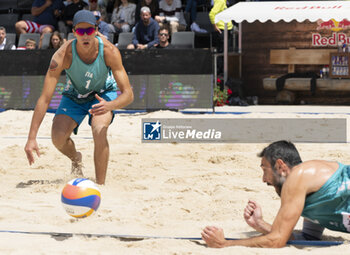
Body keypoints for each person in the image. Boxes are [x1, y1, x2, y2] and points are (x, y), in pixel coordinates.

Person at [24, 10, 134, 185]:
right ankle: (76, 158)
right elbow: (45, 98)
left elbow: (128, 94)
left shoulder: (109, 51)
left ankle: (100, 185)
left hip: (103, 95)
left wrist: (110, 105)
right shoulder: (62, 55)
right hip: (74, 94)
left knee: (99, 130)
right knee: (57, 138)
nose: (85, 35)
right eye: (80, 31)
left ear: (96, 30)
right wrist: (31, 138)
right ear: (74, 32)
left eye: (89, 30)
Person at [201, 140, 350, 248]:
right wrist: (261, 224)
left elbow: (276, 241)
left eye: (265, 170)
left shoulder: (299, 175)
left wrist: (225, 243)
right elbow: (308, 238)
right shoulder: (307, 195)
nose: (264, 179)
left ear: (280, 166)